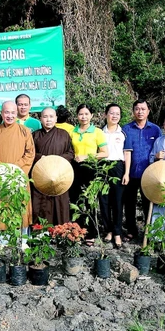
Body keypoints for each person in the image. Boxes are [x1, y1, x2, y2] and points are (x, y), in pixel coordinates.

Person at [0, 101, 36, 230]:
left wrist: (15, 168)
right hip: (1, 177)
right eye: (7, 112)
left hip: (19, 175)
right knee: (1, 207)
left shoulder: (25, 131)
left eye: (12, 113)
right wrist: (1, 167)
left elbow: (30, 153)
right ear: (1, 113)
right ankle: (1, 238)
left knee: (20, 206)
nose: (10, 116)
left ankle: (22, 237)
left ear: (17, 113)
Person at [122, 99, 161, 241]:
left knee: (148, 203)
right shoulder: (126, 129)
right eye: (137, 109)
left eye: (143, 109)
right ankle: (131, 230)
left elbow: (160, 149)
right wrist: (126, 173)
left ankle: (148, 231)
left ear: (148, 111)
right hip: (131, 173)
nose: (140, 112)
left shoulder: (155, 129)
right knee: (129, 203)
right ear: (133, 111)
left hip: (149, 174)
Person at [69, 104, 109, 242]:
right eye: (81, 114)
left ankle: (90, 233)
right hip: (75, 169)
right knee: (75, 200)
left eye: (86, 114)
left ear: (91, 115)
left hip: (90, 169)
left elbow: (105, 153)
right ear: (77, 115)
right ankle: (76, 232)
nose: (83, 117)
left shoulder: (97, 132)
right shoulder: (72, 131)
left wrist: (87, 157)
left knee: (89, 201)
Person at [31, 107, 74, 225]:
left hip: (60, 176)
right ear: (40, 119)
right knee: (40, 204)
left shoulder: (64, 134)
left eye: (51, 117)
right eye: (45, 117)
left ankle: (61, 231)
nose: (48, 120)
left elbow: (70, 153)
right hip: (41, 176)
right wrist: (41, 158)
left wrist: (57, 160)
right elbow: (30, 154)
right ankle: (41, 232)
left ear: (56, 118)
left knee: (60, 204)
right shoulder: (35, 135)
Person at [101, 103, 126, 248]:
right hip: (103, 167)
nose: (114, 116)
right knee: (104, 201)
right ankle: (108, 230)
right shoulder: (99, 133)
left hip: (118, 167)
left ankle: (117, 232)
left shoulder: (123, 133)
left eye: (117, 113)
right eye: (111, 113)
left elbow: (127, 154)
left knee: (117, 201)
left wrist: (126, 173)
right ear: (106, 115)